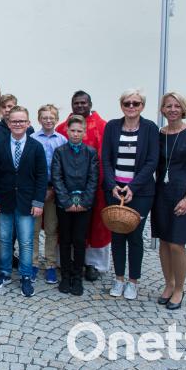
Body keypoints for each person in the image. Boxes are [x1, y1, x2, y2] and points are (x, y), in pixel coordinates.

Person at [102, 89, 159, 300]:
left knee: (135, 236)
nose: (131, 107)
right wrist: (112, 185)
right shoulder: (112, 126)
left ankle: (133, 281)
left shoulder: (150, 128)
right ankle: (118, 279)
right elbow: (106, 158)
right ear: (122, 105)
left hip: (141, 193)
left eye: (136, 103)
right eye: (127, 103)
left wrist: (133, 187)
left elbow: (152, 161)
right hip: (115, 191)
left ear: (142, 105)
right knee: (116, 235)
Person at [152, 92, 186, 310]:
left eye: (176, 106)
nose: (172, 109)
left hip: (183, 193)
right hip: (161, 193)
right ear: (162, 110)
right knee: (164, 242)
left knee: (176, 244)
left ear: (183, 109)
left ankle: (179, 288)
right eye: (168, 106)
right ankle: (168, 283)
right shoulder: (159, 134)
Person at [0, 106, 47, 298]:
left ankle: (26, 276)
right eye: (14, 121)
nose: (18, 124)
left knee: (26, 241)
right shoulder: (0, 145)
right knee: (4, 240)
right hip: (4, 200)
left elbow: (41, 176)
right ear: (8, 123)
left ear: (28, 123)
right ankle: (4, 273)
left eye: (22, 121)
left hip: (26, 202)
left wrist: (38, 202)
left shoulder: (36, 147)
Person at [55, 90, 109, 282]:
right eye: (76, 103)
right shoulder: (62, 128)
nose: (80, 106)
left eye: (83, 103)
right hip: (66, 195)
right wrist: (65, 198)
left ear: (90, 104)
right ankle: (66, 264)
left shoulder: (103, 127)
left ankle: (92, 264)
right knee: (67, 233)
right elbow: (56, 169)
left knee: (93, 228)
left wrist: (89, 194)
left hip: (93, 190)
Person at [51, 115, 99, 296]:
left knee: (79, 241)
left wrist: (84, 202)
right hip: (65, 203)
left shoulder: (91, 152)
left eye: (80, 131)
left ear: (84, 132)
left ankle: (77, 277)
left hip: (84, 205)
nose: (76, 134)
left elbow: (93, 179)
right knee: (65, 240)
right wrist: (67, 202)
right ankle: (65, 276)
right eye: (73, 130)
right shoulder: (60, 152)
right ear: (67, 131)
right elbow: (57, 177)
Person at [29, 104, 67, 284]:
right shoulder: (32, 139)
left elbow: (64, 168)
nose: (48, 120)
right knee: (33, 230)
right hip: (36, 190)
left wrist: (53, 190)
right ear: (39, 119)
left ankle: (50, 264)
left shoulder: (62, 140)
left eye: (51, 117)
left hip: (54, 190)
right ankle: (34, 262)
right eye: (44, 117)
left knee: (52, 229)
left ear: (56, 119)